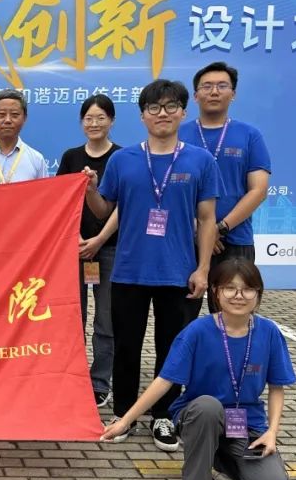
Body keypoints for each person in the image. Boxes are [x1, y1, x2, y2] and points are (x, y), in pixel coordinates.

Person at [100, 259, 296, 480]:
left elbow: (276, 388)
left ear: (258, 294)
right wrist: (125, 421)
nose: (238, 295)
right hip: (199, 416)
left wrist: (272, 432)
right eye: (230, 288)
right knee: (208, 406)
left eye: (248, 289)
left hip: (245, 422)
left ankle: (221, 463)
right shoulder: (197, 331)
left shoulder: (269, 332)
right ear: (215, 292)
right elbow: (164, 381)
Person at [83, 79, 219, 452]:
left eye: (171, 106)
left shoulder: (200, 161)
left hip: (178, 272)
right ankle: (123, 413)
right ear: (142, 115)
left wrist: (203, 269)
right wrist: (91, 190)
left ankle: (163, 416)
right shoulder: (123, 160)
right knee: (126, 346)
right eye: (154, 108)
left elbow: (207, 219)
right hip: (129, 270)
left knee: (172, 349)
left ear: (183, 112)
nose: (163, 114)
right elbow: (104, 210)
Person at [181, 62, 271, 313]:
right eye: (207, 86)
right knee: (180, 319)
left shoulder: (250, 135)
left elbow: (258, 190)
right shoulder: (179, 135)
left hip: (234, 241)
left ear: (233, 94)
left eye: (222, 86)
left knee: (233, 318)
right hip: (186, 240)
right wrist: (200, 229)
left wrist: (219, 228)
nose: (214, 92)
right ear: (195, 95)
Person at [57, 95, 120, 407]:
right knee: (73, 317)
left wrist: (98, 240)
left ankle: (100, 381)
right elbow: (59, 201)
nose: (94, 124)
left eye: (100, 118)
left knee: (106, 321)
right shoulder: (70, 157)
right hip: (74, 249)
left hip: (110, 249)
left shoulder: (122, 157)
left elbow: (122, 206)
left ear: (111, 121)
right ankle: (73, 376)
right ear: (81, 122)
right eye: (88, 118)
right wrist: (77, 237)